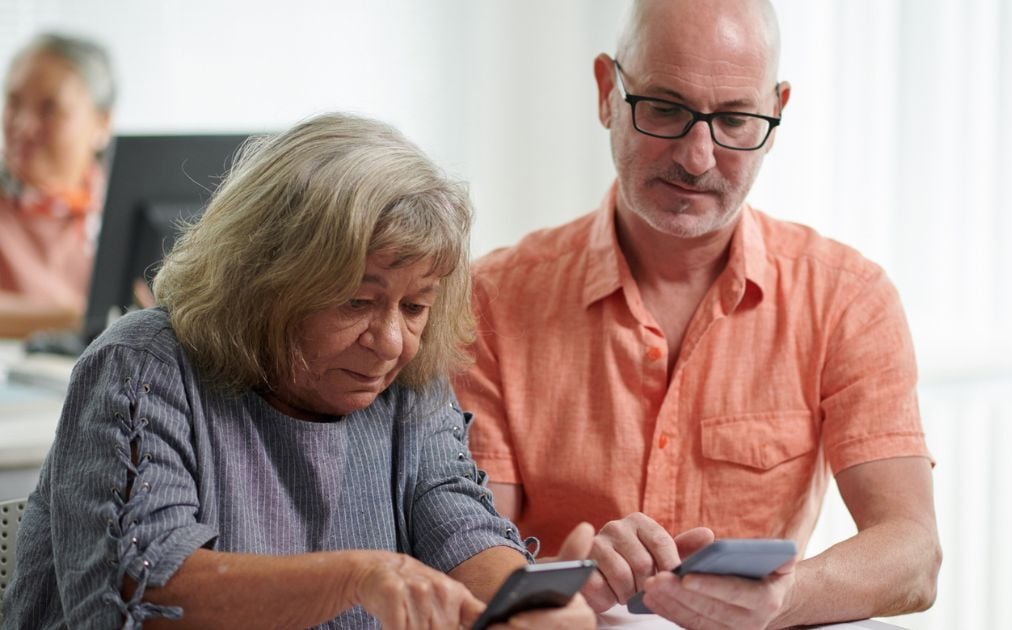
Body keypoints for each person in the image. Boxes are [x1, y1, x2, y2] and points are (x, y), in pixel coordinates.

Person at [1, 113, 594, 629]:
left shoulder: (407, 390)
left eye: (415, 307)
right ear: (268, 285)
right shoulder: (142, 367)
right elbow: (145, 593)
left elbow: (463, 531)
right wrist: (357, 577)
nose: (390, 342)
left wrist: (525, 601)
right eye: (357, 302)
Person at [455, 0, 941, 627]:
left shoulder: (847, 297)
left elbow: (913, 553)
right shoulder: (489, 300)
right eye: (664, 108)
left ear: (777, 112)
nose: (697, 157)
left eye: (736, 119)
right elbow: (465, 547)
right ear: (608, 92)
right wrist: (560, 581)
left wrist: (782, 597)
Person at [0, 33, 114, 338]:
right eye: (13, 102)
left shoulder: (121, 203)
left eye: (49, 108)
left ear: (102, 122)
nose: (23, 125)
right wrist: (75, 316)